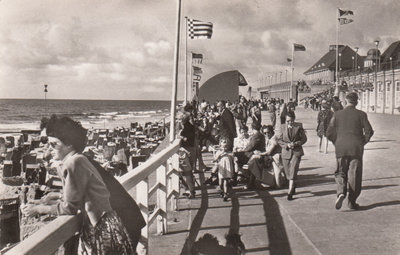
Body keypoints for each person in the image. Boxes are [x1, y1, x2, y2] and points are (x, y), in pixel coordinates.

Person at [21, 115, 134, 254]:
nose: (49, 149)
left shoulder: (73, 163)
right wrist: (54, 196)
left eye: (53, 144)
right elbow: (81, 196)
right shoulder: (79, 159)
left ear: (69, 143)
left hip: (99, 227)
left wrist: (39, 209)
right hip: (107, 223)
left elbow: (70, 207)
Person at [327, 92, 374, 210]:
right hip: (356, 148)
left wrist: (336, 142)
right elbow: (369, 131)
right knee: (355, 175)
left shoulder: (337, 115)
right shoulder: (361, 114)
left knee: (340, 172)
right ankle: (352, 202)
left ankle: (341, 192)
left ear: (345, 102)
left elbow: (329, 133)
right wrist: (362, 142)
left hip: (341, 147)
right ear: (356, 102)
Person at [278, 111, 307, 200]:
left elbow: (304, 139)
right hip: (286, 151)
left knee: (293, 170)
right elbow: (279, 140)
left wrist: (296, 143)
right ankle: (293, 184)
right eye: (288, 121)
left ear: (294, 119)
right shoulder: (282, 127)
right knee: (287, 172)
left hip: (296, 151)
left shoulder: (299, 126)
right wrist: (286, 145)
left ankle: (290, 192)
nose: (290, 122)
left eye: (291, 121)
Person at [234, 122, 265, 189]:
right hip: (253, 154)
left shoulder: (256, 136)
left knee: (235, 157)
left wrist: (242, 150)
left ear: (252, 128)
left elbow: (251, 147)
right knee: (236, 158)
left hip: (253, 154)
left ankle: (237, 177)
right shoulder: (259, 135)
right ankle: (242, 176)